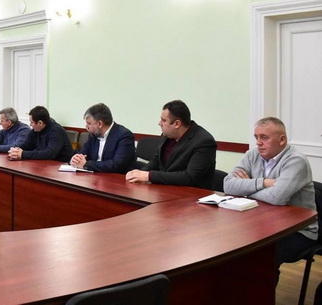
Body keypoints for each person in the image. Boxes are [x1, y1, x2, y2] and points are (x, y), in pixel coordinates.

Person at [223, 117, 317, 281]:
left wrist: (246, 189)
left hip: (297, 231)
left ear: (282, 140)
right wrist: (264, 183)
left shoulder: (296, 161)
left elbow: (276, 197)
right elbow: (227, 185)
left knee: (259, 259)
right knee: (230, 248)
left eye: (264, 137)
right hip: (261, 224)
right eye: (256, 137)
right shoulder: (253, 154)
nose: (258, 143)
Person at [125, 100, 216, 189]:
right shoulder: (167, 135)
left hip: (191, 194)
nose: (159, 123)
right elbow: (157, 160)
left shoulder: (204, 142)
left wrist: (149, 176)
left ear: (177, 124)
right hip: (164, 189)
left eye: (163, 120)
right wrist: (138, 174)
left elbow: (189, 177)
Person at [70, 103, 135, 173]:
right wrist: (75, 159)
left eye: (89, 123)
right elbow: (82, 153)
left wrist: (86, 164)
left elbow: (116, 165)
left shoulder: (124, 136)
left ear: (100, 124)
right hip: (94, 176)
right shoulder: (94, 135)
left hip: (116, 177)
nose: (86, 126)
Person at [7, 106, 74, 162]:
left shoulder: (56, 131)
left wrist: (23, 154)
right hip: (46, 164)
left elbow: (50, 154)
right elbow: (27, 146)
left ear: (40, 123)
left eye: (32, 122)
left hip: (62, 165)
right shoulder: (35, 131)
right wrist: (15, 151)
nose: (30, 124)